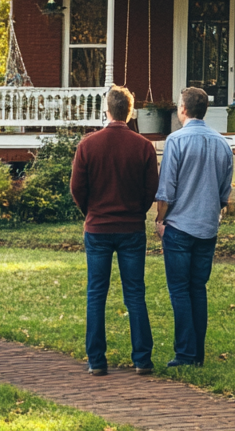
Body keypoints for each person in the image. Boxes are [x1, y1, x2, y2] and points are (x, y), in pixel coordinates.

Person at [70, 85, 159, 376]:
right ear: (130, 112)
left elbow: (77, 188)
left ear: (106, 110)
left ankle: (97, 360)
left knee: (96, 292)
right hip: (131, 227)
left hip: (97, 227)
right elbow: (151, 190)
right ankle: (142, 359)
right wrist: (136, 211)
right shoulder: (143, 146)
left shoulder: (88, 144)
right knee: (135, 293)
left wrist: (91, 212)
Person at [153, 86, 233, 368]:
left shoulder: (176, 141)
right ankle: (197, 353)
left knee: (179, 290)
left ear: (183, 109)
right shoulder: (223, 144)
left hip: (179, 226)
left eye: (178, 104)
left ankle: (185, 353)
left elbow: (166, 191)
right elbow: (225, 194)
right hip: (207, 228)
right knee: (198, 288)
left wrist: (159, 220)